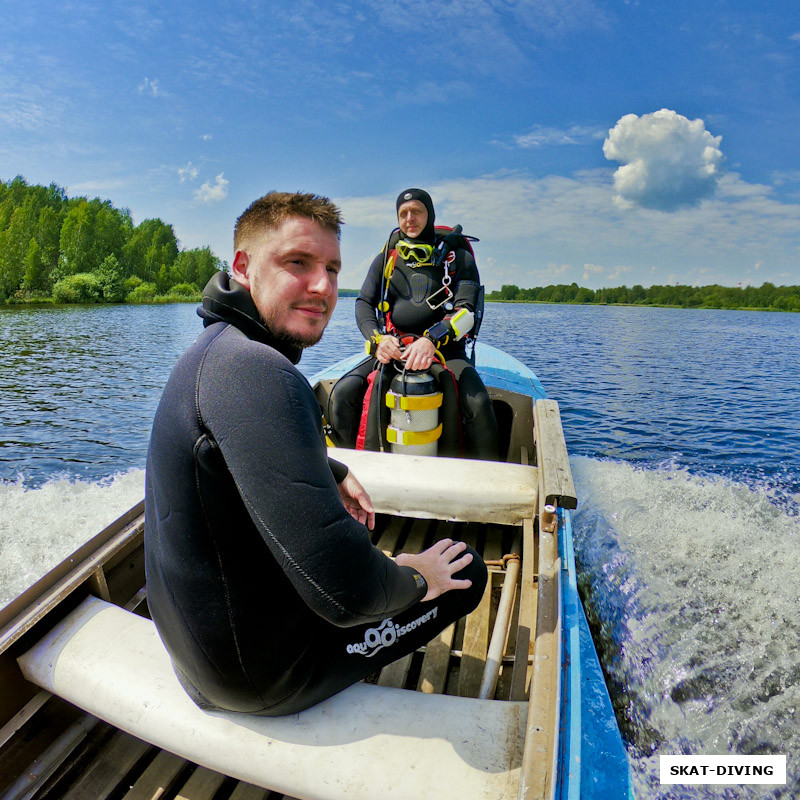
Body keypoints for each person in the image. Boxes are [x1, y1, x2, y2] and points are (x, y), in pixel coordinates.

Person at [144, 191, 487, 717]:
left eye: (331, 267)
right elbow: (346, 596)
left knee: (355, 532)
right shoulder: (261, 374)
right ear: (243, 266)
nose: (323, 286)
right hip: (262, 677)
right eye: (297, 263)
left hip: (200, 657)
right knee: (466, 574)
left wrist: (333, 468)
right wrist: (417, 576)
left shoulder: (218, 350)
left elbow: (234, 452)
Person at [331, 188, 499, 459]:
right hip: (395, 347)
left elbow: (466, 312)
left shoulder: (457, 256)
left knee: (478, 404)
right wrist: (378, 339)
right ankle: (345, 478)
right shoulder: (388, 256)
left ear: (429, 214)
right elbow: (363, 302)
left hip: (447, 350)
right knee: (342, 394)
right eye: (403, 213)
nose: (410, 218)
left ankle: (492, 484)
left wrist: (431, 339)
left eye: (417, 211)